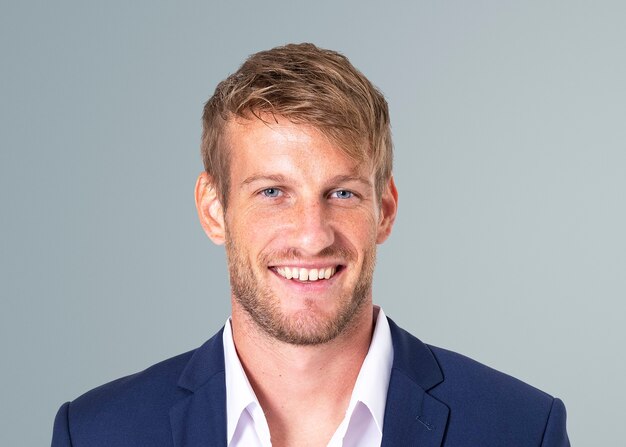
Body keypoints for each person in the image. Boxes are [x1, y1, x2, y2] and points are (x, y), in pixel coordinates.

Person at [52, 43, 569, 447]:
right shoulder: (99, 434)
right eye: (273, 192)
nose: (312, 235)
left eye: (341, 192)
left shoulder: (521, 430)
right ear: (214, 209)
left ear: (384, 209)